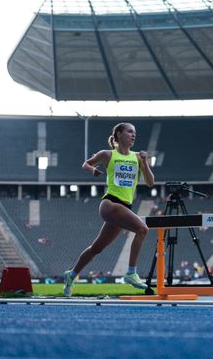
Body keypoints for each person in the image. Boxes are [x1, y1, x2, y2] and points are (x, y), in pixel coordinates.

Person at [63, 122, 154, 296]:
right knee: (142, 229)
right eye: (129, 132)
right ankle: (131, 272)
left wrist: (145, 162)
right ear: (119, 134)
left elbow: (150, 183)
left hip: (124, 207)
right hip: (110, 204)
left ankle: (71, 274)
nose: (133, 135)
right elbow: (86, 164)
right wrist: (93, 171)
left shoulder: (137, 157)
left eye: (134, 132)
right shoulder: (107, 154)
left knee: (96, 248)